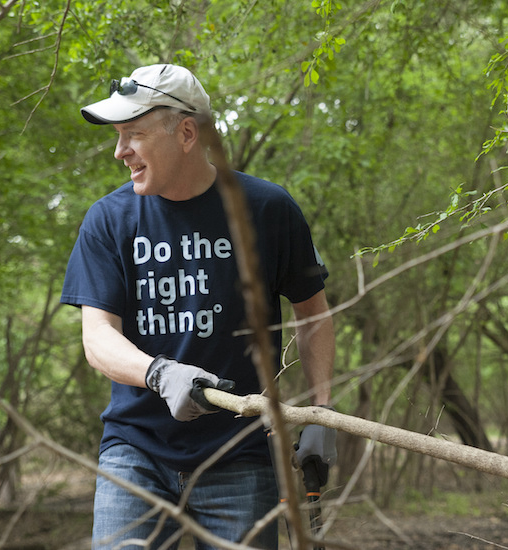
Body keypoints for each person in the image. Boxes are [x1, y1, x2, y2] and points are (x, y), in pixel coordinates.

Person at [60, 63, 337, 550]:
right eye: (119, 136)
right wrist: (159, 373)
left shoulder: (267, 209)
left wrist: (320, 410)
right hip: (135, 451)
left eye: (135, 134)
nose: (120, 151)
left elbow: (312, 313)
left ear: (186, 132)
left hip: (241, 452)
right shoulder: (109, 219)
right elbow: (97, 337)